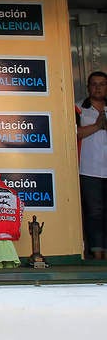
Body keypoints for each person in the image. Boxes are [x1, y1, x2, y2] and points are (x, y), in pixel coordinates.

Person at [76, 70, 107, 259]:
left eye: (102, 84)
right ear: (88, 87)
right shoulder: (78, 107)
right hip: (89, 170)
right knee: (94, 213)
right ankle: (96, 254)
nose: (98, 87)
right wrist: (97, 126)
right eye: (94, 84)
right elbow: (73, 133)